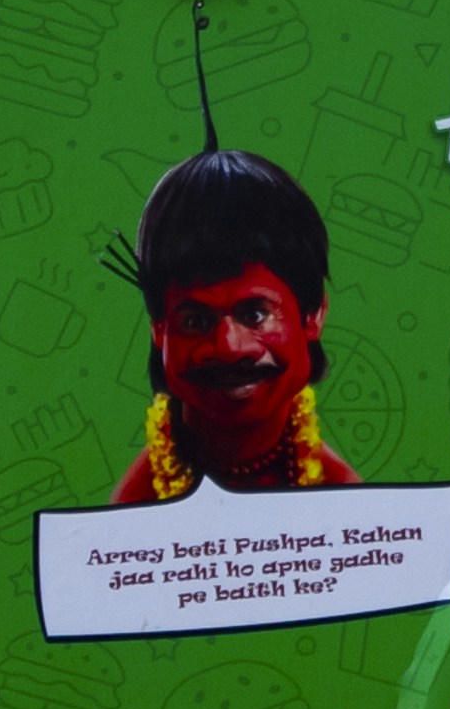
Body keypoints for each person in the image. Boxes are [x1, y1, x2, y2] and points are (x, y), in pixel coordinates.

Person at [106, 148, 361, 502]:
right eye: (196, 320)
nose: (228, 346)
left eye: (254, 315)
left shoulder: (349, 505)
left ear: (313, 315)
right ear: (159, 331)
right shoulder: (129, 517)